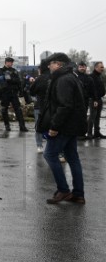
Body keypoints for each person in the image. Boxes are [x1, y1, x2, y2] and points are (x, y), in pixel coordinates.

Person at [37, 52, 87, 204]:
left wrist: (54, 127)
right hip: (72, 125)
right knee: (72, 158)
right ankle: (78, 194)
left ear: (59, 64)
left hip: (64, 126)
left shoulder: (63, 79)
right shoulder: (71, 77)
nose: (48, 66)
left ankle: (64, 190)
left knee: (50, 155)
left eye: (51, 63)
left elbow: (65, 106)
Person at [0, 57, 29, 132]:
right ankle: (7, 126)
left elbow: (19, 81)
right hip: (4, 93)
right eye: (9, 62)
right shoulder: (0, 71)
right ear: (5, 62)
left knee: (18, 109)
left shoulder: (14, 71)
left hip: (13, 93)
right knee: (4, 109)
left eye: (11, 62)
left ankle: (22, 126)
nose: (10, 63)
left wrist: (20, 91)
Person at [28, 59, 51, 153]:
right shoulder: (54, 77)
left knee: (39, 126)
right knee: (52, 126)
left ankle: (39, 146)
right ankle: (53, 148)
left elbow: (32, 92)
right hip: (51, 107)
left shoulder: (40, 79)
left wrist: (33, 83)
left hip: (39, 106)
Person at [76, 61, 96, 139]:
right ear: (78, 67)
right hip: (76, 101)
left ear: (86, 67)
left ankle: (82, 133)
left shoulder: (89, 78)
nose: (82, 68)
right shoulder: (74, 77)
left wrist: (95, 99)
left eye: (83, 66)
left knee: (83, 117)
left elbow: (93, 90)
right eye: (80, 66)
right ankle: (76, 133)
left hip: (85, 101)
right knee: (76, 117)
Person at [89, 61, 105, 139]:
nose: (103, 68)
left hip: (99, 99)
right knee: (92, 117)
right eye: (101, 67)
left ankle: (96, 132)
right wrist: (95, 99)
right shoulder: (91, 76)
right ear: (96, 67)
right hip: (94, 100)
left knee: (98, 117)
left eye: (103, 67)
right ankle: (89, 133)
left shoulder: (99, 76)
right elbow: (92, 89)